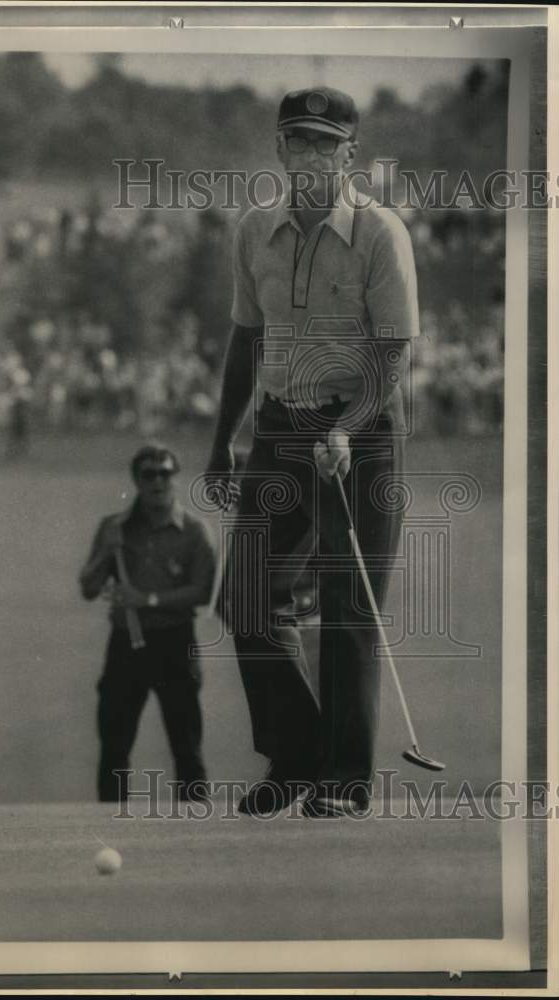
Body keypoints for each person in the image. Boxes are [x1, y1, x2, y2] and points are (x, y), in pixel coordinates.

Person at [205, 86, 420, 817]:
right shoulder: (254, 228)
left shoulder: (381, 232)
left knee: (348, 603)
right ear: (279, 148)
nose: (312, 154)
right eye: (299, 140)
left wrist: (345, 428)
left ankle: (344, 783)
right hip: (278, 428)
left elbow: (392, 354)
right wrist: (221, 440)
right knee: (246, 600)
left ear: (351, 153)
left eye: (327, 143)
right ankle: (296, 757)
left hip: (365, 432)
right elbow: (244, 337)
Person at [80, 443, 216, 803]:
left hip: (175, 644)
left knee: (186, 747)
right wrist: (106, 553)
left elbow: (203, 592)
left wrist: (148, 600)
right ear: (136, 481)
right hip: (126, 645)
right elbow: (88, 588)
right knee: (114, 746)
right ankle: (111, 827)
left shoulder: (195, 532)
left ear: (175, 477)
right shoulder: (114, 528)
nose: (158, 482)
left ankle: (193, 833)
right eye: (149, 475)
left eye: (165, 473)